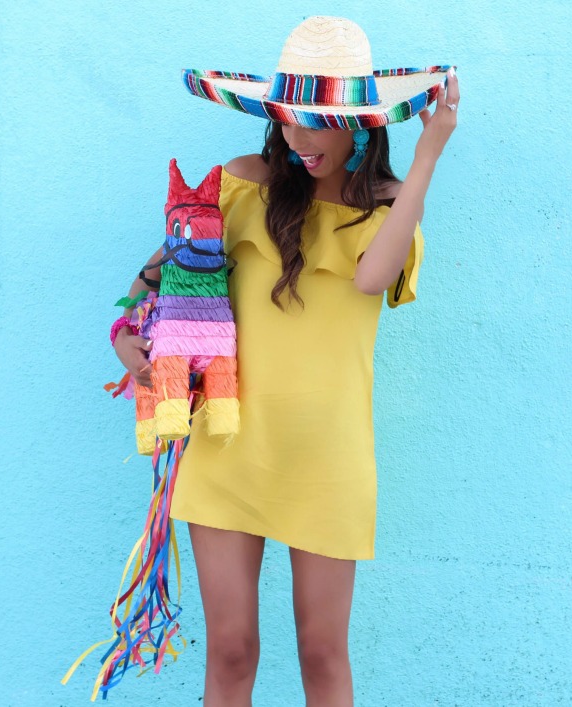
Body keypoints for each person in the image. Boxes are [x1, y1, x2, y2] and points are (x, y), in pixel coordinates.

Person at [111, 16, 458, 706]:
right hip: (229, 445)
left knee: (322, 652)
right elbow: (151, 281)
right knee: (232, 648)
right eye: (290, 122)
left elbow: (369, 279)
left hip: (327, 458)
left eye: (319, 123)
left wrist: (427, 159)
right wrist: (127, 334)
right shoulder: (241, 185)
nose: (301, 140)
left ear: (360, 123)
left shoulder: (388, 207)